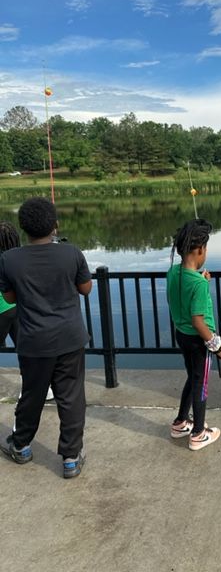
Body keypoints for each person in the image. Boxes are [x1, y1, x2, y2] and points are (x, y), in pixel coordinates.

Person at [0, 197, 92, 477]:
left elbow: (9, 297)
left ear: (23, 227)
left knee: (32, 394)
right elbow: (85, 288)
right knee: (71, 397)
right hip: (69, 338)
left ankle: (22, 446)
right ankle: (71, 458)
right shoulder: (71, 253)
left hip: (33, 342)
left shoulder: (9, 259)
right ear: (55, 225)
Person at [167, 218, 221, 451]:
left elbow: (184, 290)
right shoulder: (198, 285)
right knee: (201, 384)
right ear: (200, 250)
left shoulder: (173, 272)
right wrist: (215, 344)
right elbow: (198, 321)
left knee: (192, 378)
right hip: (198, 340)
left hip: (182, 336)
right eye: (206, 249)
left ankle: (181, 422)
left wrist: (201, 280)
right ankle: (199, 433)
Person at [0, 221, 55, 402]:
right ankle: (40, 389)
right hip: (19, 308)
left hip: (3, 310)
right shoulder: (18, 259)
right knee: (26, 352)